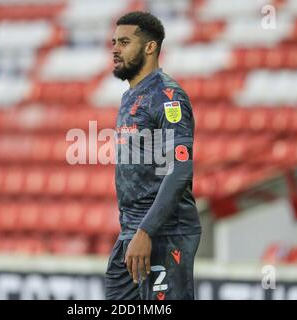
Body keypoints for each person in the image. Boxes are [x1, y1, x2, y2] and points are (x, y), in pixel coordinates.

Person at [105, 11, 202, 300]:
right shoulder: (130, 96)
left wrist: (147, 231)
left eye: (124, 42)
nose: (115, 49)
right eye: (114, 42)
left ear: (150, 47)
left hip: (164, 232)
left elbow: (180, 170)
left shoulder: (168, 96)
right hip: (132, 233)